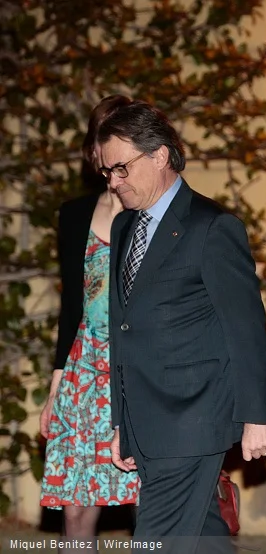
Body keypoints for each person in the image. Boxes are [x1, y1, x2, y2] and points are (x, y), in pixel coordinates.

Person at [93, 100, 266, 544]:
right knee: (204, 538)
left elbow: (246, 330)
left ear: (159, 156)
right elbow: (123, 326)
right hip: (146, 419)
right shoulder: (123, 229)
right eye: (107, 173)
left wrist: (257, 416)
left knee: (157, 540)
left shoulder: (212, 228)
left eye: (121, 169)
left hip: (194, 419)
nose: (114, 183)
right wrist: (122, 420)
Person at [40, 95, 140, 544]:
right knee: (76, 507)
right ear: (93, 148)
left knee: (150, 503)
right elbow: (71, 309)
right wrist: (56, 387)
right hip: (85, 372)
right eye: (102, 138)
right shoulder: (75, 214)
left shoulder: (153, 212)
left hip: (140, 368)